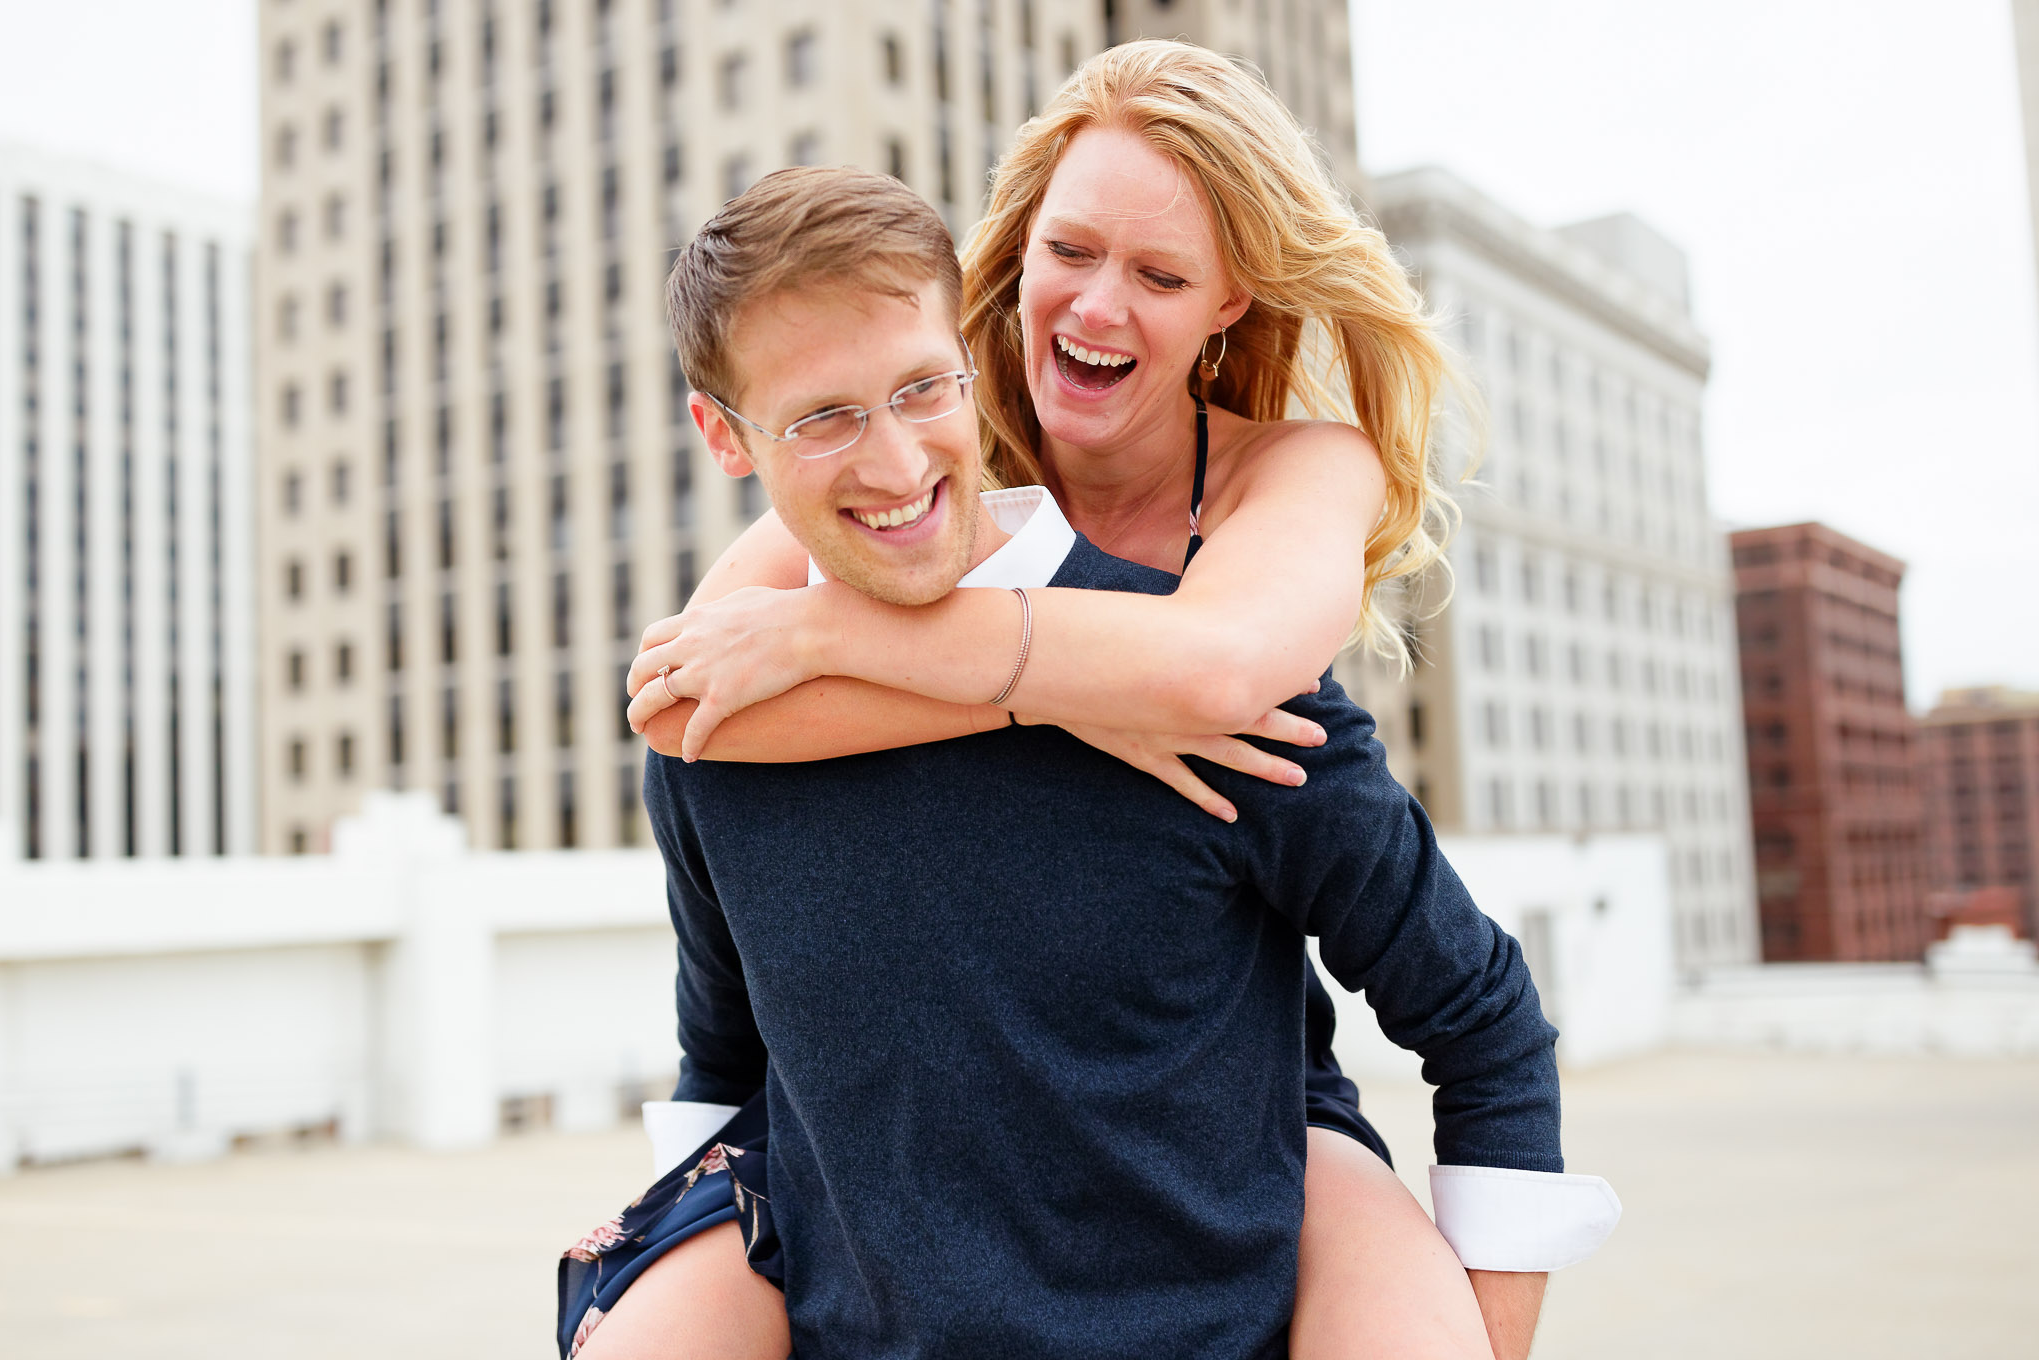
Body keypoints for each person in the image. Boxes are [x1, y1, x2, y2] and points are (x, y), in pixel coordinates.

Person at [605, 40, 1613, 1360]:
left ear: (1227, 305)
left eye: (1161, 274)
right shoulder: (797, 620)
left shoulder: (1261, 600)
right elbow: (696, 712)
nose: (1097, 304)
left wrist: (1480, 1329)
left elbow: (1206, 675)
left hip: (1258, 1143)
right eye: (1070, 252)